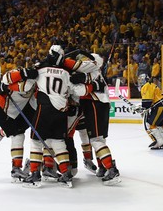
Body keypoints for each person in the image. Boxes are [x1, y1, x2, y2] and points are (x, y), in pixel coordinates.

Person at [22, 45, 105, 188]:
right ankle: (66, 173)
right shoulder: (66, 73)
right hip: (61, 111)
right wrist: (93, 86)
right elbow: (76, 90)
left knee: (36, 141)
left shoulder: (40, 69)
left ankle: (35, 174)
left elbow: (25, 86)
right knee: (59, 142)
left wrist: (27, 72)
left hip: (44, 109)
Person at [61, 50, 121, 186]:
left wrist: (72, 85)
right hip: (99, 105)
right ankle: (102, 166)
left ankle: (112, 170)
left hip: (94, 104)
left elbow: (81, 91)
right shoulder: (95, 71)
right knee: (98, 138)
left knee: (96, 139)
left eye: (84, 60)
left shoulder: (91, 70)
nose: (81, 62)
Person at [131, 76, 163, 150]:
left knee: (150, 124)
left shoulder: (146, 86)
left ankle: (159, 142)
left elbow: (147, 103)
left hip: (160, 106)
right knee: (161, 124)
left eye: (141, 80)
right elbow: (149, 102)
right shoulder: (151, 85)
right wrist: (141, 107)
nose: (139, 82)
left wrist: (141, 108)